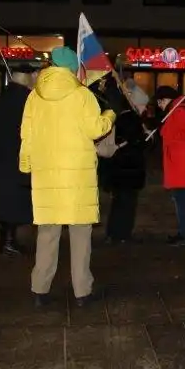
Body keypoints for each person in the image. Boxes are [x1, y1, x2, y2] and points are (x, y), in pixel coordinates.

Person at [22, 46, 117, 308]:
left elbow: (26, 133)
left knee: (47, 234)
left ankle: (39, 289)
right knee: (80, 235)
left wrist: (26, 164)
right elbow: (95, 129)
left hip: (46, 176)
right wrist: (110, 114)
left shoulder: (34, 96)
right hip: (77, 176)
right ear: (73, 69)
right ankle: (82, 291)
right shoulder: (82, 95)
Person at [0, 70, 34, 256]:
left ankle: (5, 240)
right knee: (14, 202)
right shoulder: (27, 101)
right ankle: (8, 241)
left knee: (4, 200)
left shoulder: (1, 100)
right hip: (18, 159)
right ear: (26, 79)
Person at [100, 79, 149, 244]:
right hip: (129, 170)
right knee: (126, 204)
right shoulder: (131, 119)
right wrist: (146, 138)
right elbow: (137, 144)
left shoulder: (120, 116)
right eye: (142, 105)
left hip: (119, 169)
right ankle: (122, 234)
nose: (144, 109)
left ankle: (113, 233)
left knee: (119, 202)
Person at [156, 86, 185, 247]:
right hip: (182, 164)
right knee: (183, 201)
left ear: (167, 98)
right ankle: (184, 232)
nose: (160, 106)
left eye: (160, 101)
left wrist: (160, 128)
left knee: (183, 201)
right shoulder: (180, 109)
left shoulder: (180, 111)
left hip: (183, 165)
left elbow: (170, 133)